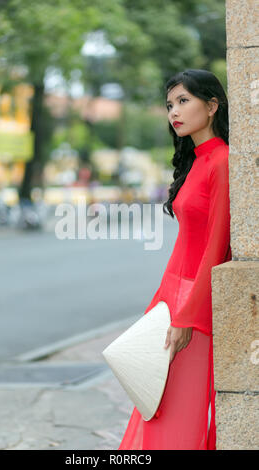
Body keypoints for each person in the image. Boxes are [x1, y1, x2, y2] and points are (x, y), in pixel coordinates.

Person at [118, 69, 232, 450]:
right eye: (169, 105)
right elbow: (184, 247)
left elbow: (216, 249)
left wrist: (186, 317)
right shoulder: (195, 162)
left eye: (184, 101)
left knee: (181, 413)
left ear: (212, 105)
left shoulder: (222, 162)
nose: (174, 112)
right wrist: (161, 306)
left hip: (196, 313)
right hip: (175, 301)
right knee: (160, 406)